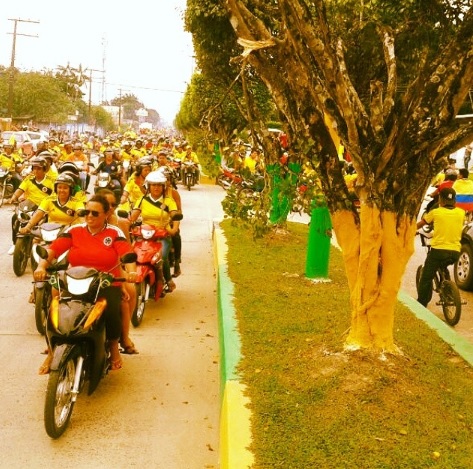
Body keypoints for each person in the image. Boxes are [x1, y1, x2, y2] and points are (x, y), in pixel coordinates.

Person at [33, 194, 137, 374]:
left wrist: (132, 272)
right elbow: (54, 249)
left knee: (112, 308)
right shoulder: (75, 230)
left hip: (105, 281)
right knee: (57, 307)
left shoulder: (114, 232)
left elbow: (125, 253)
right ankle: (52, 350)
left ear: (106, 214)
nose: (89, 216)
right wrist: (42, 265)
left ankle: (113, 346)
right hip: (76, 278)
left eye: (95, 213)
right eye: (85, 212)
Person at [98, 188, 138, 354]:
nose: (111, 208)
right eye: (107, 204)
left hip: (113, 267)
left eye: (113, 205)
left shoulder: (119, 225)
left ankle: (124, 337)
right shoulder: (84, 222)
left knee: (129, 292)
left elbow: (127, 251)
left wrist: (130, 272)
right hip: (84, 269)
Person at [129, 171, 180, 291]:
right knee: (131, 255)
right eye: (153, 185)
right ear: (148, 186)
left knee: (161, 258)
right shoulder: (142, 199)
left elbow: (174, 214)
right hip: (144, 234)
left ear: (163, 187)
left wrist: (174, 228)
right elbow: (133, 216)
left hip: (162, 235)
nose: (156, 187)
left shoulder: (168, 201)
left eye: (159, 185)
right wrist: (129, 222)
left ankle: (168, 280)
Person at [416, 188, 465, 307]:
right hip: (455, 252)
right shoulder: (461, 212)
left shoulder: (435, 212)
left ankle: (422, 303)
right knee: (443, 266)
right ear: (454, 200)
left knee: (426, 277)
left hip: (438, 251)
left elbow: (421, 224)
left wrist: (410, 231)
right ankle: (448, 292)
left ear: (440, 199)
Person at [7, 156, 56, 255]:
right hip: (29, 206)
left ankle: (47, 248)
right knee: (15, 218)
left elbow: (54, 196)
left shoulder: (51, 181)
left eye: (39, 168)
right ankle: (14, 243)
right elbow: (20, 189)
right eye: (34, 168)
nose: (36, 171)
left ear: (45, 169)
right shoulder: (29, 179)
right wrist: (14, 197)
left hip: (43, 208)